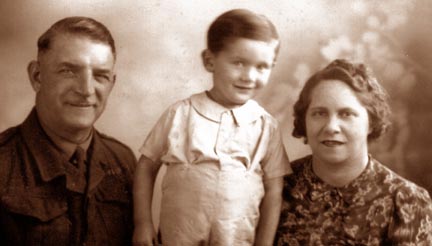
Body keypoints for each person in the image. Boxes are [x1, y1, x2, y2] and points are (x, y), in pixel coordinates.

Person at [133, 9, 291, 246]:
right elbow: (146, 168)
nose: (249, 76)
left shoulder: (265, 126)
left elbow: (274, 191)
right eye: (238, 63)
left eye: (262, 67)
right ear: (209, 61)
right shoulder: (181, 114)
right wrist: (143, 223)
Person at [0, 17, 136, 245]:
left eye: (100, 75)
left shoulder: (123, 161)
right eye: (69, 71)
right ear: (37, 76)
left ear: (112, 84)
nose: (86, 90)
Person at [275, 59, 432, 245]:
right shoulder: (277, 188)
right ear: (304, 120)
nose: (331, 127)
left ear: (371, 122)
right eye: (319, 113)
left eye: (346, 114)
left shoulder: (406, 201)